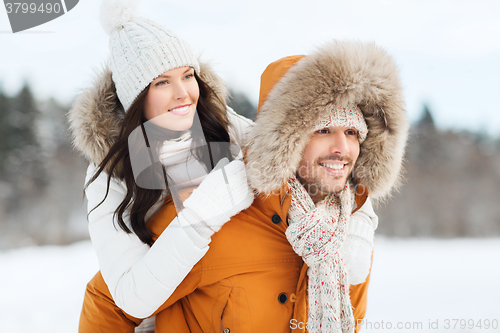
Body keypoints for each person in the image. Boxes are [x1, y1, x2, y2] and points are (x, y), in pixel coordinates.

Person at [77, 40, 409, 333]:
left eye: (353, 133)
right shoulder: (216, 208)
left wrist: (361, 212)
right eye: (323, 131)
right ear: (286, 139)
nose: (342, 148)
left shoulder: (347, 239)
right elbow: (110, 300)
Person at [67, 0, 255, 323]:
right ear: (136, 98)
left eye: (188, 75)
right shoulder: (108, 176)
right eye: (162, 82)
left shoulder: (224, 127)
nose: (184, 93)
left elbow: (296, 156)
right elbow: (132, 298)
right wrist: (206, 210)